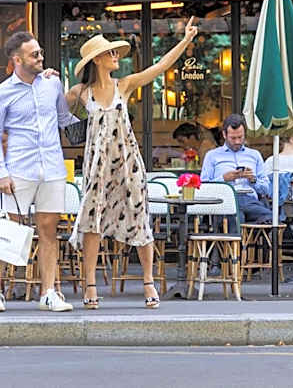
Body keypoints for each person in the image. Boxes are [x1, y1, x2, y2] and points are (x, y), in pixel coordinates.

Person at [67, 19, 198, 310]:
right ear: (97, 60)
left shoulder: (123, 85)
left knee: (140, 220)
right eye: (110, 53)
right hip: (97, 168)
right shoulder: (80, 92)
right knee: (92, 223)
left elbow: (160, 68)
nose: (116, 57)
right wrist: (47, 77)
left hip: (127, 165)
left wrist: (185, 40)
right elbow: (53, 107)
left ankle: (148, 282)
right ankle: (90, 285)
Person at [0, 31, 79, 313]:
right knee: (8, 227)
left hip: (52, 168)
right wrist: (1, 172)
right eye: (34, 54)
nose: (41, 57)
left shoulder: (52, 84)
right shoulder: (0, 94)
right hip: (19, 169)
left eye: (40, 53)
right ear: (17, 60)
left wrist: (98, 118)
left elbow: (63, 118)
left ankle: (48, 292)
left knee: (49, 231)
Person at [200, 114, 274, 224]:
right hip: (225, 200)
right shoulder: (212, 156)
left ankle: (252, 239)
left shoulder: (254, 155)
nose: (237, 142)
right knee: (236, 218)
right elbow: (204, 187)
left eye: (240, 137)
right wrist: (224, 179)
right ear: (224, 135)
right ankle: (243, 239)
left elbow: (267, 189)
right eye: (233, 138)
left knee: (272, 219)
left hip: (250, 201)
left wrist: (253, 180)